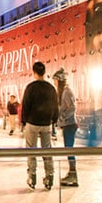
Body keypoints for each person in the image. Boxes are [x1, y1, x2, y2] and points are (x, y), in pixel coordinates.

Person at [21, 62, 58, 190]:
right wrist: (54, 120)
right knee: (47, 150)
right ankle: (49, 177)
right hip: (46, 123)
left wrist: (23, 121)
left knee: (31, 150)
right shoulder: (51, 88)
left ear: (34, 72)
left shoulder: (30, 87)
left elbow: (25, 105)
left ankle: (32, 176)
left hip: (32, 123)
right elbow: (55, 105)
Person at [53, 69, 79, 187]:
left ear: (60, 81)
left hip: (70, 124)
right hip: (67, 124)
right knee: (68, 150)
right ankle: (72, 173)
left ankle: (73, 175)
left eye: (55, 80)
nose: (54, 83)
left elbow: (72, 108)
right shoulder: (64, 92)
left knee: (69, 150)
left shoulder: (67, 92)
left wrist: (61, 118)